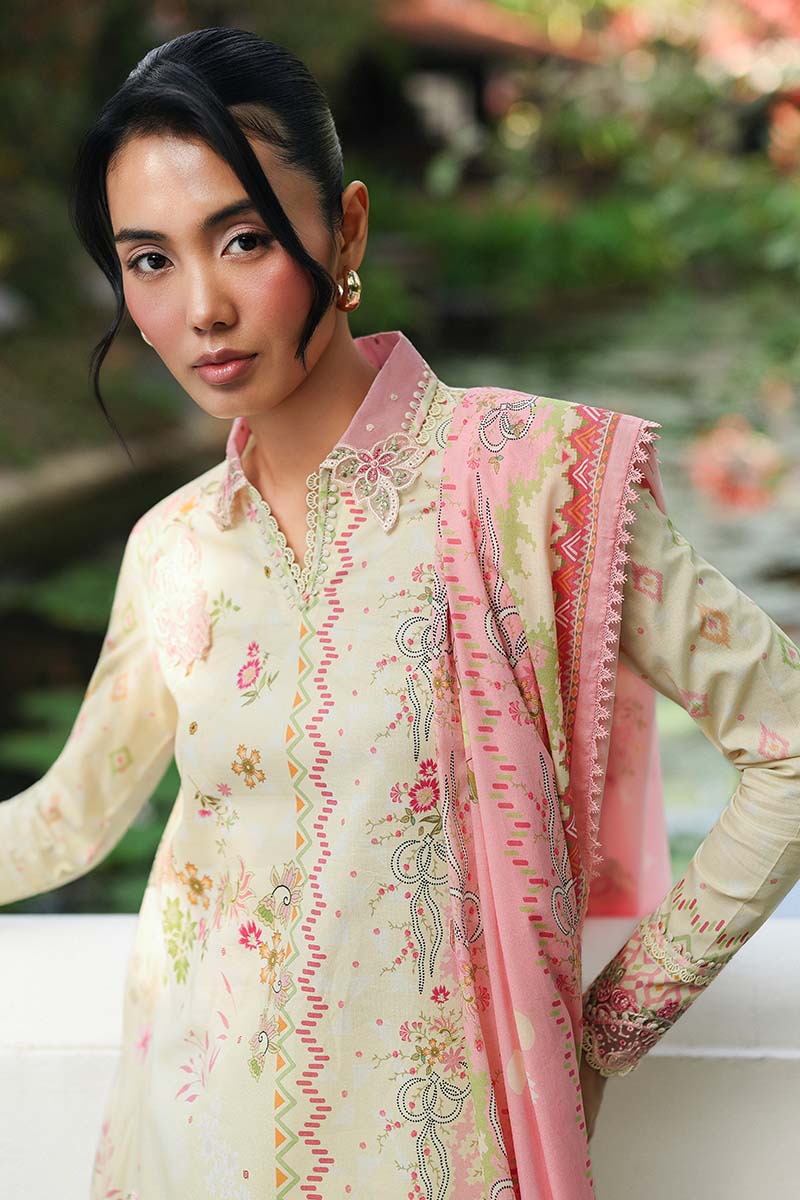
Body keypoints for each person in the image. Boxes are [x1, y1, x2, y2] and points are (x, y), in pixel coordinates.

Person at [1, 26, 799, 1200]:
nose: (202, 307)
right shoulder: (174, 547)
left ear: (346, 230)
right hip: (188, 1143)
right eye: (150, 260)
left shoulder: (529, 482)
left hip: (438, 1155)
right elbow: (70, 822)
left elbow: (786, 742)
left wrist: (599, 1033)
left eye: (243, 239)